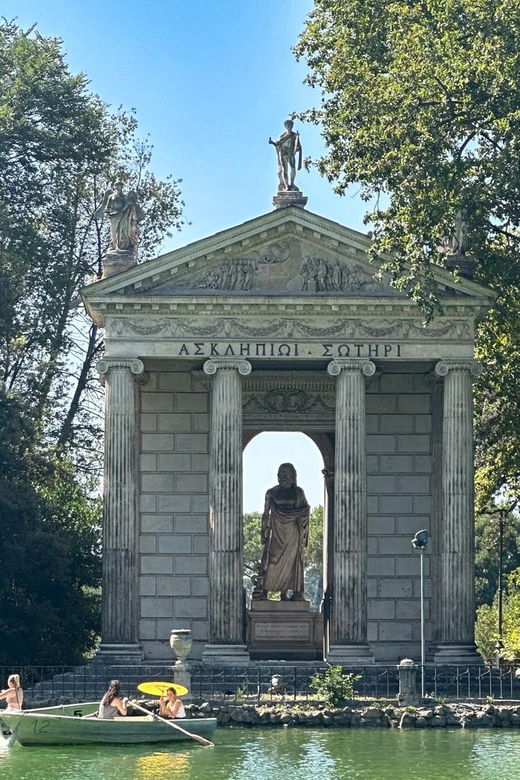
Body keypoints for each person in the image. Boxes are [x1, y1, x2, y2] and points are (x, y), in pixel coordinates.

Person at [253, 462, 310, 601]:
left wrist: (296, 514)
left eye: (287, 475)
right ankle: (265, 590)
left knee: (291, 563)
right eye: (281, 474)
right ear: (277, 476)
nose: (284, 477)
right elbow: (266, 514)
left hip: (292, 533)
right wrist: (263, 531)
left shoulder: (298, 492)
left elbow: (306, 509)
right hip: (276, 532)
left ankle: (287, 593)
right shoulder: (271, 492)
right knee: (272, 560)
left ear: (292, 476)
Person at [95, 181, 145, 252]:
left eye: (120, 186)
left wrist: (131, 207)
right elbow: (107, 208)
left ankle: (122, 246)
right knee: (114, 231)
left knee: (122, 230)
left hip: (122, 215)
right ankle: (115, 246)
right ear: (115, 187)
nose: (119, 187)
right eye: (117, 186)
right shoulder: (111, 196)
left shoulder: (125, 197)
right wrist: (109, 212)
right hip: (113, 216)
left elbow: (128, 205)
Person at [268, 120, 302, 191]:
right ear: (285, 126)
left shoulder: (295, 135)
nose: (288, 126)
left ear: (292, 126)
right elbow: (278, 144)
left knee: (293, 168)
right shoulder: (283, 135)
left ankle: (292, 183)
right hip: (283, 153)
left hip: (291, 153)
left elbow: (297, 145)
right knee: (284, 169)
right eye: (287, 125)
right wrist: (272, 142)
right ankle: (286, 186)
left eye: (290, 125)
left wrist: (297, 148)